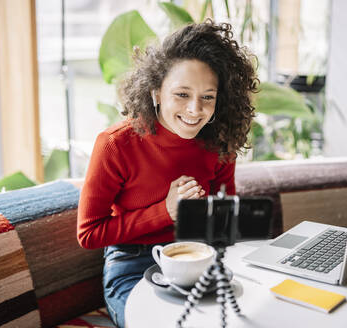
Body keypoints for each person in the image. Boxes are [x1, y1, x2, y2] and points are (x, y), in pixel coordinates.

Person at [77, 20, 258, 328]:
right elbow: (89, 233)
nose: (194, 110)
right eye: (182, 94)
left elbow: (223, 220)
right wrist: (165, 211)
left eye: (208, 97)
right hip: (132, 264)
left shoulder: (220, 140)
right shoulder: (115, 145)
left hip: (200, 259)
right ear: (157, 92)